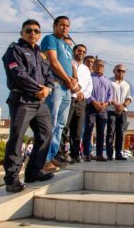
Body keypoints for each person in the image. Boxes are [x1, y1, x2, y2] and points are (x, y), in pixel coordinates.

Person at [2, 19, 55, 193]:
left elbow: (49, 75)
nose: (33, 33)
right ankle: (12, 178)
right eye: (29, 30)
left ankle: (33, 171)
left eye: (36, 31)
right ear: (21, 33)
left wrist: (48, 88)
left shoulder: (41, 54)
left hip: (40, 102)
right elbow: (18, 74)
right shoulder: (14, 50)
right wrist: (39, 89)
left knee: (46, 134)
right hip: (22, 100)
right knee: (18, 137)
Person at [41, 16, 77, 172]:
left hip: (67, 89)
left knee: (61, 125)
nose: (64, 28)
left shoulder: (67, 46)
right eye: (61, 25)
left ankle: (52, 156)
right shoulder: (50, 39)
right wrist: (67, 79)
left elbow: (70, 65)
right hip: (55, 85)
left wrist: (74, 80)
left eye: (67, 25)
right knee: (52, 122)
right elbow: (53, 62)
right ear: (54, 26)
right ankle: (44, 159)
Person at [60, 43, 93, 164]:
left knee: (78, 130)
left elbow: (89, 86)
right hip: (68, 98)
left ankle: (75, 154)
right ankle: (61, 154)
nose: (81, 53)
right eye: (79, 51)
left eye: (84, 52)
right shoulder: (68, 63)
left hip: (81, 101)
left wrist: (83, 94)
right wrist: (74, 88)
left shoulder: (86, 69)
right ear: (74, 52)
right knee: (64, 126)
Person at [82, 59, 113, 162]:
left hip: (103, 109)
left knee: (101, 132)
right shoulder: (89, 78)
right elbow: (86, 91)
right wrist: (94, 102)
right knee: (88, 130)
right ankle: (86, 154)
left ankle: (99, 155)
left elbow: (110, 94)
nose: (100, 66)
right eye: (98, 64)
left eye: (102, 65)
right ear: (93, 66)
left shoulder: (107, 80)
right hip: (91, 106)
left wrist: (106, 103)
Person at [107, 64, 133, 160]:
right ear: (114, 71)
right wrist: (116, 104)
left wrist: (123, 106)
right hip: (111, 110)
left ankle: (118, 153)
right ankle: (109, 154)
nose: (121, 72)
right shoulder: (109, 82)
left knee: (120, 133)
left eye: (123, 71)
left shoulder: (128, 84)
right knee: (110, 132)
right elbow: (107, 95)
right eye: (119, 70)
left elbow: (130, 97)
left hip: (123, 111)